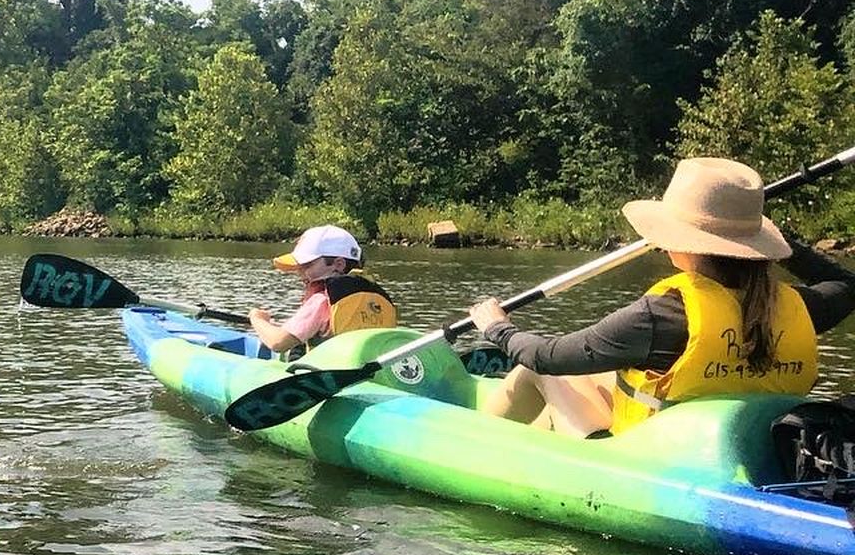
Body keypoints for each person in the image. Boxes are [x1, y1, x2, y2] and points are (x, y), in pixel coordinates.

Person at [468, 157, 855, 437]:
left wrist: (498, 328)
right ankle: (538, 436)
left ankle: (476, 443)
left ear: (679, 242)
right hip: (746, 449)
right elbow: (847, 285)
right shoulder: (797, 307)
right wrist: (778, 241)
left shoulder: (659, 316)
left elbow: (546, 356)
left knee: (534, 369)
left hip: (647, 462)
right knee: (609, 372)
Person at [248, 224, 399, 354]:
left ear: (338, 264)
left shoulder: (321, 300)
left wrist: (258, 319)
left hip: (330, 379)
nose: (299, 272)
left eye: (307, 265)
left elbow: (278, 343)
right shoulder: (378, 297)